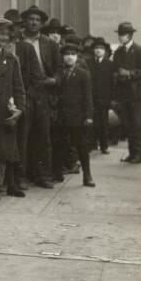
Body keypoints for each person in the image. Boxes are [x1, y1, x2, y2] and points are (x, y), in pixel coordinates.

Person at [0, 19, 26, 199]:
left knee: (0, 149)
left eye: (6, 34)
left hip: (2, 110)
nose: (4, 37)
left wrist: (19, 109)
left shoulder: (11, 59)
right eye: (0, 33)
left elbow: (19, 87)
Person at [20, 5, 61, 188]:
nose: (34, 22)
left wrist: (53, 80)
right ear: (25, 21)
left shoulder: (49, 44)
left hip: (43, 93)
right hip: (24, 91)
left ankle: (43, 175)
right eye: (30, 19)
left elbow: (60, 69)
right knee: (23, 135)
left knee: (43, 136)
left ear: (41, 23)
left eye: (37, 20)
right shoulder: (19, 41)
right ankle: (22, 176)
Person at [3, 8, 43, 192]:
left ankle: (19, 177)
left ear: (20, 28)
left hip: (22, 103)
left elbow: (37, 78)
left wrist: (23, 102)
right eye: (8, 28)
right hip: (1, 102)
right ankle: (3, 179)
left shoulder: (26, 48)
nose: (12, 32)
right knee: (3, 141)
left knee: (21, 142)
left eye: (15, 27)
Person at [49, 42, 96, 187]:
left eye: (73, 55)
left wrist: (88, 116)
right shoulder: (59, 73)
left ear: (77, 57)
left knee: (81, 146)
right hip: (61, 117)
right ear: (62, 57)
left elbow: (88, 97)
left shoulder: (83, 74)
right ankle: (57, 174)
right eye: (66, 55)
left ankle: (87, 175)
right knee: (59, 145)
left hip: (77, 117)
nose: (69, 58)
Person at [112, 22, 141, 164]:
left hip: (137, 95)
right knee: (127, 124)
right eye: (119, 34)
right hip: (124, 94)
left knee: (136, 124)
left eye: (122, 34)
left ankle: (138, 155)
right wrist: (117, 75)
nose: (120, 37)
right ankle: (132, 153)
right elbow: (115, 70)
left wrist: (129, 73)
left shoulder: (140, 50)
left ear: (129, 35)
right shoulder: (118, 52)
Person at [89, 37, 115, 154]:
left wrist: (111, 98)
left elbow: (112, 83)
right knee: (92, 121)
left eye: (101, 48)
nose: (98, 50)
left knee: (104, 123)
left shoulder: (110, 64)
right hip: (91, 98)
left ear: (105, 51)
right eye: (96, 48)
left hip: (104, 98)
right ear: (93, 50)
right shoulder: (88, 63)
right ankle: (93, 144)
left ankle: (104, 146)